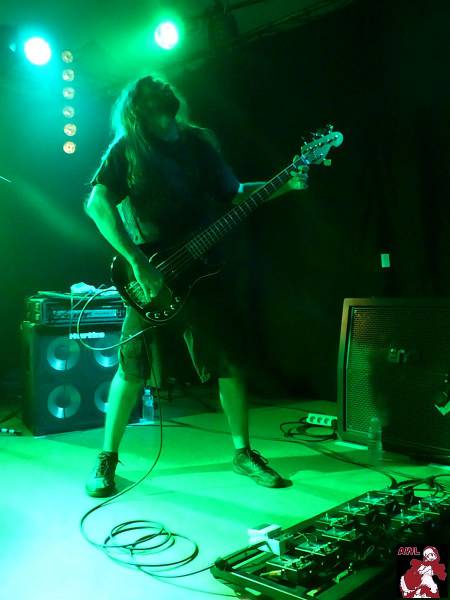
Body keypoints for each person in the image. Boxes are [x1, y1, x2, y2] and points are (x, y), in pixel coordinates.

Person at [84, 74, 308, 497]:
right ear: (138, 114)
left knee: (230, 362)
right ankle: (107, 458)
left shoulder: (198, 144)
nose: (167, 123)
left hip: (203, 271)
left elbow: (234, 194)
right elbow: (97, 204)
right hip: (151, 275)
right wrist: (138, 264)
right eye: (157, 115)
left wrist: (287, 184)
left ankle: (243, 453)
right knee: (131, 369)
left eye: (170, 112)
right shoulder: (126, 149)